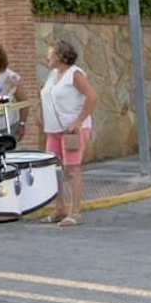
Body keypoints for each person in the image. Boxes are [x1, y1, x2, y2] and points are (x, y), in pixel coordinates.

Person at [39, 38, 98, 227]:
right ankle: (59, 209)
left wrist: (79, 121)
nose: (47, 56)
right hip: (54, 130)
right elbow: (47, 96)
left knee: (72, 169)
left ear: (59, 56)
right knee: (53, 170)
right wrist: (40, 115)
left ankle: (75, 212)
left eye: (50, 53)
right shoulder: (52, 74)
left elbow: (92, 96)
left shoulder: (75, 74)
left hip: (72, 131)